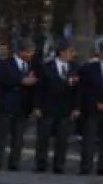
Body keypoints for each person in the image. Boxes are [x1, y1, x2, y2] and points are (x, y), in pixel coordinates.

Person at [0, 38, 36, 171]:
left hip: (23, 106)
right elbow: (2, 79)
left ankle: (14, 162)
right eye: (28, 52)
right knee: (2, 135)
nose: (30, 55)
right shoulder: (5, 64)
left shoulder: (31, 66)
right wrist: (21, 80)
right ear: (20, 52)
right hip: (7, 104)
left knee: (18, 137)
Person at [33, 39, 78, 174]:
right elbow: (40, 88)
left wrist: (77, 107)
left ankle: (59, 164)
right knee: (43, 138)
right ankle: (41, 163)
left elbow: (78, 90)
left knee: (62, 138)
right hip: (47, 107)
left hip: (65, 108)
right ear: (62, 52)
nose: (72, 54)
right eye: (70, 51)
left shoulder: (75, 68)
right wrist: (36, 106)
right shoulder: (46, 67)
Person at [77, 36, 103, 176]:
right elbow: (83, 89)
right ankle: (86, 167)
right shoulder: (89, 68)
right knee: (89, 140)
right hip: (92, 110)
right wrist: (95, 104)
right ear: (100, 53)